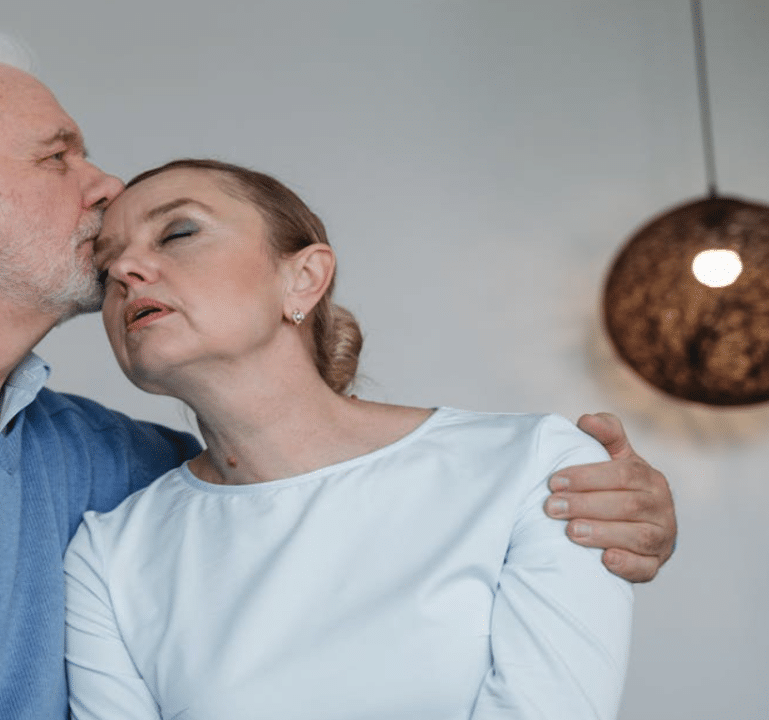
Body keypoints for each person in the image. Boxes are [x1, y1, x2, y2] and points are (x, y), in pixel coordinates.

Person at [0, 28, 674, 720]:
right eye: (59, 156)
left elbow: (296, 489)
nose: (103, 192)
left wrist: (600, 505)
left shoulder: (99, 458)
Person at [64, 158, 637, 719]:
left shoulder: (535, 467)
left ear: (304, 278)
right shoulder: (109, 557)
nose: (124, 270)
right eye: (105, 265)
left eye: (178, 232)